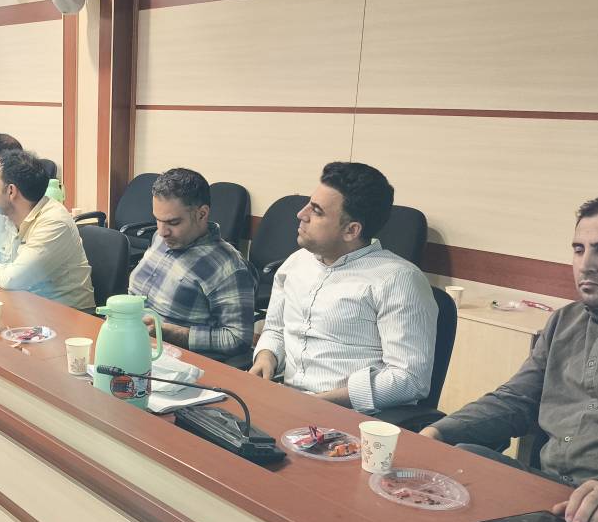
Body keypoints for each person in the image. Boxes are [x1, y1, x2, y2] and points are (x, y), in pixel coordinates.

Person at [422, 193, 598, 522]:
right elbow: (516, 400)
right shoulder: (566, 321)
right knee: (456, 464)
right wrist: (437, 433)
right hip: (549, 492)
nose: (586, 265)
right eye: (579, 249)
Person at [249, 161, 437, 413]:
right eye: (308, 204)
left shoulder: (398, 280)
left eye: (317, 211)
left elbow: (409, 380)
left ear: (351, 230)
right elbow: (276, 329)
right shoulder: (296, 262)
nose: (301, 214)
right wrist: (266, 357)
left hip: (349, 417)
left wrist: (322, 402)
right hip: (287, 402)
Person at [129, 168, 255, 357]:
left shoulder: (227, 267)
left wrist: (169, 332)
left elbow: (237, 339)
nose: (162, 231)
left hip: (174, 360)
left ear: (202, 214)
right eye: (158, 220)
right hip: (133, 342)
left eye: (173, 222)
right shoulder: (161, 238)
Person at [0, 150, 94, 311]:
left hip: (68, 315)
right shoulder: (5, 217)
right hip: (25, 307)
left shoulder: (54, 222)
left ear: (11, 191)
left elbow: (12, 280)